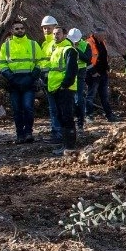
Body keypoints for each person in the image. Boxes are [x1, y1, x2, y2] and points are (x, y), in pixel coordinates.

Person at [0, 20, 45, 144]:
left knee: (28, 107)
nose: (20, 30)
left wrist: (33, 76)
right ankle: (20, 134)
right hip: (13, 82)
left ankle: (28, 133)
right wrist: (10, 77)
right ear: (12, 31)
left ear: (25, 30)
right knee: (17, 109)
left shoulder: (33, 44)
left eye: (22, 28)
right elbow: (2, 64)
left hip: (29, 81)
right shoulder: (6, 46)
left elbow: (40, 62)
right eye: (17, 29)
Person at [45, 26, 79, 155]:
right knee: (61, 116)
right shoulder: (56, 50)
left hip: (65, 89)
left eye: (58, 33)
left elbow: (72, 70)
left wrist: (65, 85)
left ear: (65, 35)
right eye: (54, 34)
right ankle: (65, 146)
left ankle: (69, 146)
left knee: (67, 117)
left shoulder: (69, 50)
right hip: (55, 88)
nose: (55, 36)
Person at [85, 25, 118, 122]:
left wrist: (107, 67)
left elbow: (104, 57)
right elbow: (86, 60)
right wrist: (93, 72)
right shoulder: (88, 43)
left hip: (103, 74)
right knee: (90, 95)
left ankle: (109, 115)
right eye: (103, 35)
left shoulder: (102, 42)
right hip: (93, 75)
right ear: (97, 35)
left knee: (104, 96)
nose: (104, 37)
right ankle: (89, 116)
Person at [40, 15, 63, 142]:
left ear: (55, 27)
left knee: (57, 108)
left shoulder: (58, 43)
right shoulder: (44, 44)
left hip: (58, 81)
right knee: (53, 109)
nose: (47, 30)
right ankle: (56, 132)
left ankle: (59, 133)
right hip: (47, 81)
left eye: (49, 28)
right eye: (44, 28)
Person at [66, 28, 91, 132]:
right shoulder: (66, 44)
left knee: (78, 97)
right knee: (69, 97)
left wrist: (76, 49)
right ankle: (70, 121)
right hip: (69, 71)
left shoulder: (85, 45)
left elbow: (87, 59)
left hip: (80, 71)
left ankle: (80, 122)